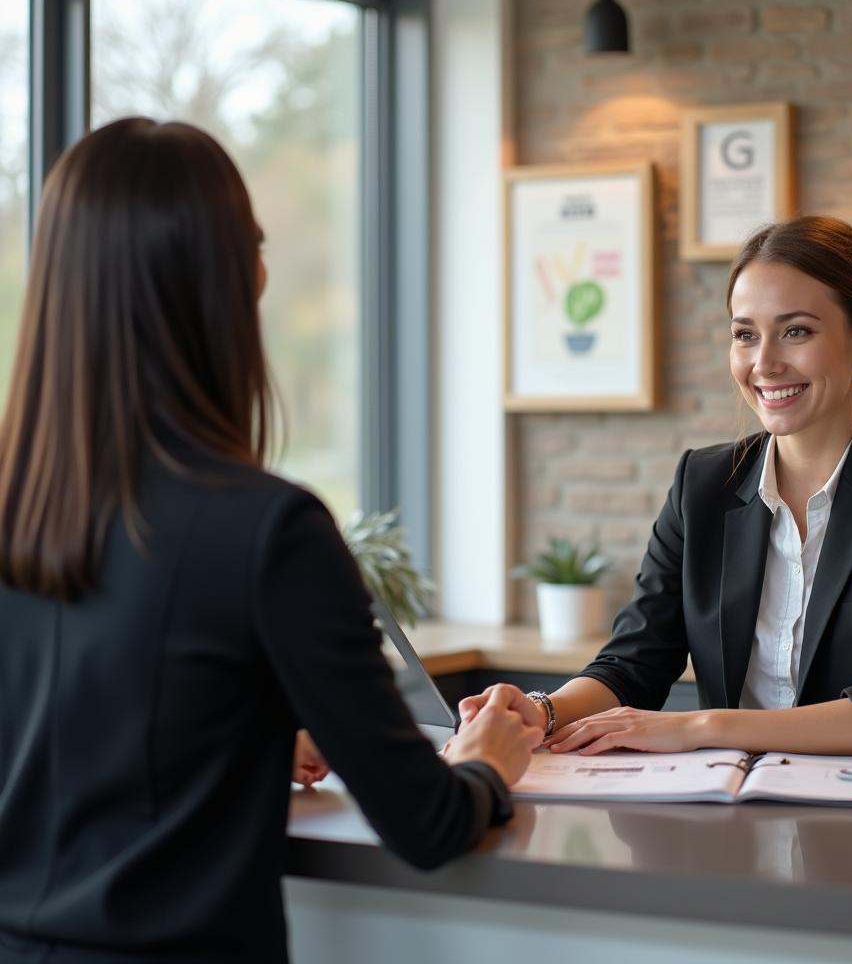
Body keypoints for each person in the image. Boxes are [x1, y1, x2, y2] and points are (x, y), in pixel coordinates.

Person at [0, 118, 542, 964]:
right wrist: (486, 763)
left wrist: (229, 737)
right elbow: (426, 823)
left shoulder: (18, 507)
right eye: (252, 247)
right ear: (230, 283)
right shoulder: (269, 529)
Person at [462, 215, 852, 760]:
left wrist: (699, 727)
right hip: (742, 806)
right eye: (745, 335)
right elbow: (636, 660)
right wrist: (542, 710)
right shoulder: (702, 485)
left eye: (796, 331)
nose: (764, 363)